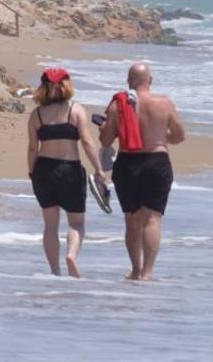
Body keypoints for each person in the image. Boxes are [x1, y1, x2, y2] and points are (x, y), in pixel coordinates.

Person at [100, 63, 186, 281]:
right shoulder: (164, 104)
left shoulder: (117, 105)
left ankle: (135, 270)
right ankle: (147, 272)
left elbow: (106, 140)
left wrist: (106, 129)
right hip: (156, 162)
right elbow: (179, 135)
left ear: (128, 81)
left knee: (131, 219)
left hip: (127, 162)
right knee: (152, 219)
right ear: (150, 80)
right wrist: (159, 137)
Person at [27, 67, 106, 278]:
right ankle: (71, 255)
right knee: (76, 223)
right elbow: (88, 142)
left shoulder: (37, 115)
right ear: (67, 85)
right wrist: (99, 169)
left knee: (50, 225)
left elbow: (33, 148)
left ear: (43, 87)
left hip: (44, 170)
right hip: (69, 169)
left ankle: (55, 271)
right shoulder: (76, 110)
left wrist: (32, 171)